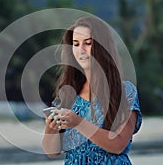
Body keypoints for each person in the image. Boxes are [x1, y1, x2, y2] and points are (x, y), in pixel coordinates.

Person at [41, 16, 142, 164]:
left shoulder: (125, 91)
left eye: (87, 43)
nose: (80, 50)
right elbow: (52, 152)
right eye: (75, 44)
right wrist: (50, 129)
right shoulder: (67, 94)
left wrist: (78, 122)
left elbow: (118, 145)